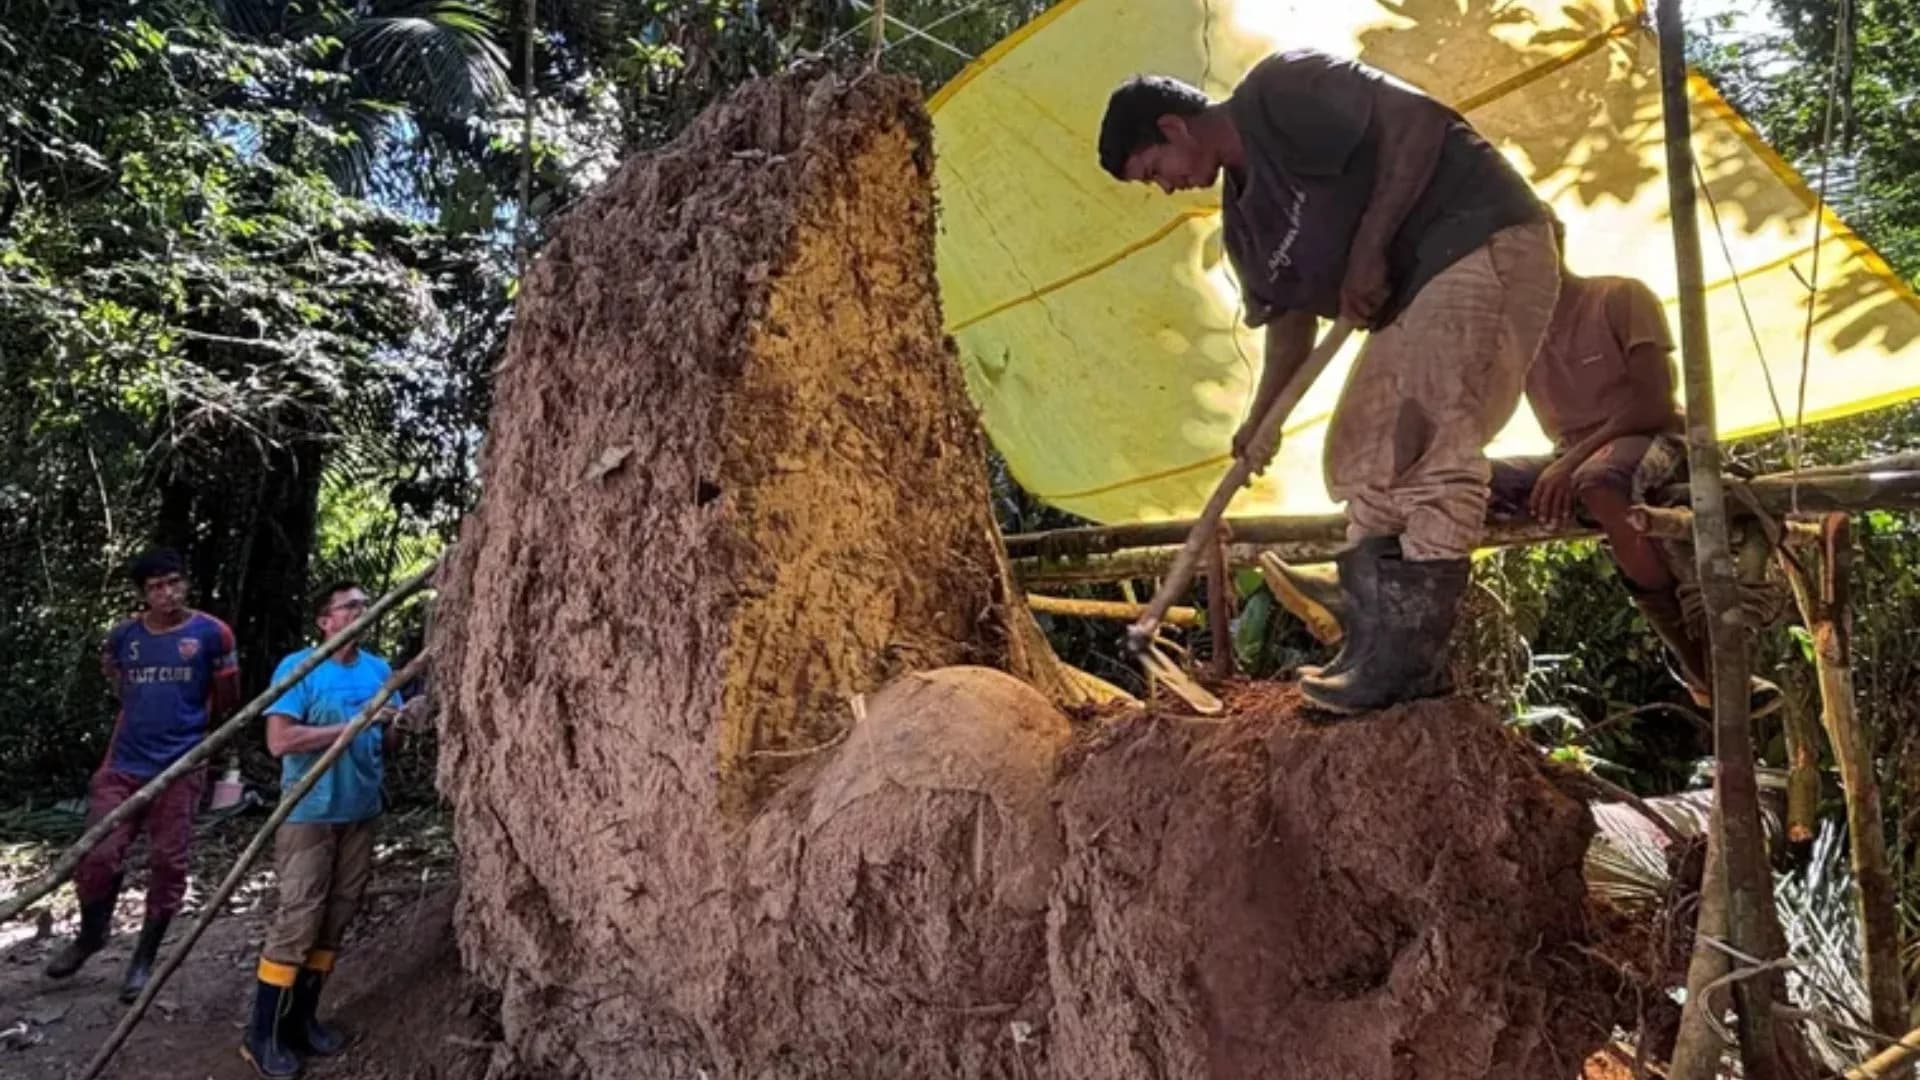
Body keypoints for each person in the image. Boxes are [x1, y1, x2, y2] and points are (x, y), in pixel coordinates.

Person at [1098, 51, 1557, 713]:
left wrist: (1370, 248)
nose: (1165, 188)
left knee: (1429, 450)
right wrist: (1264, 419)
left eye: (1153, 171)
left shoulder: (1281, 90)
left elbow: (1418, 124)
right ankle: (1375, 645)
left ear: (1174, 129)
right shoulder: (1244, 229)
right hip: (1411, 299)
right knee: (1357, 455)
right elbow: (1288, 324)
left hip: (1481, 241)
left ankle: (1409, 663)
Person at [1485, 222, 1781, 715]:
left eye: (1524, 247)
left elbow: (1655, 403)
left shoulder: (1619, 296)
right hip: (1576, 456)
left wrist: (1572, 464)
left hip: (1652, 438)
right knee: (1468, 480)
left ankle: (1700, 664)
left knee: (1600, 481)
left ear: (1556, 239)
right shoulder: (1518, 335)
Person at [46, 549, 239, 1002]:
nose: (168, 593)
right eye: (156, 587)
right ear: (142, 595)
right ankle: (91, 936)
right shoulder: (123, 637)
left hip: (182, 764)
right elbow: (119, 684)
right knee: (97, 853)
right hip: (123, 765)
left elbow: (227, 696)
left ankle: (143, 960)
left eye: (175, 583)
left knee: (169, 862)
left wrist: (194, 741)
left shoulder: (212, 634)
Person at [242, 581, 405, 1078]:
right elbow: (280, 742)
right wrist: (354, 724)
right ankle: (262, 1034)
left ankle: (302, 1021)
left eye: (363, 604)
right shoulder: (301, 668)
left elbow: (388, 744)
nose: (359, 611)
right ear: (325, 621)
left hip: (360, 812)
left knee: (335, 919)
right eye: (348, 606)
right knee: (298, 921)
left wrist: (398, 723)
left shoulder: (381, 671)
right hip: (309, 814)